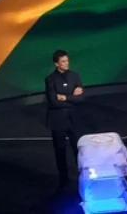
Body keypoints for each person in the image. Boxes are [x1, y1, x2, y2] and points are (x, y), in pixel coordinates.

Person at [44, 50, 85, 190]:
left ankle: (82, 175)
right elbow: (53, 102)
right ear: (56, 64)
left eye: (67, 60)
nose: (66, 63)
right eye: (63, 61)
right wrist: (72, 98)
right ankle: (63, 180)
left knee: (78, 149)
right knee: (60, 151)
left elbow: (81, 98)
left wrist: (65, 97)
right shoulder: (50, 79)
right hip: (58, 120)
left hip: (73, 119)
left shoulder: (75, 76)